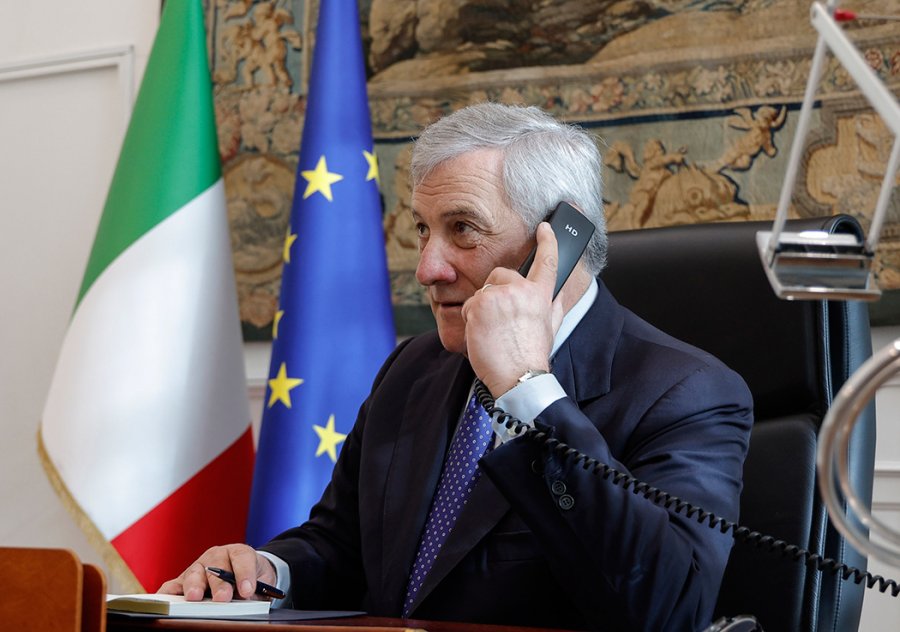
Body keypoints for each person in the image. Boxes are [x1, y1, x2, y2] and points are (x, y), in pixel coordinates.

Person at [160, 102, 753, 631]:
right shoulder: (412, 368)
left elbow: (667, 610)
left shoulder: (687, 392)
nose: (427, 268)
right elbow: (343, 547)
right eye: (424, 230)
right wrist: (266, 571)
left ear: (560, 242)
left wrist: (527, 389)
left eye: (463, 230)